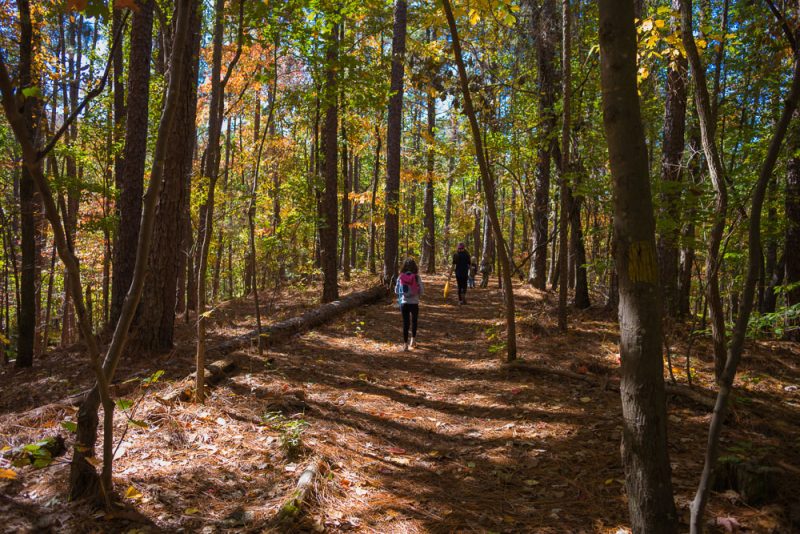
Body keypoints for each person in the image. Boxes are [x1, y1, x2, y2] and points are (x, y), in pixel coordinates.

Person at [395, 257, 424, 351]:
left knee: (405, 323)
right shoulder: (416, 277)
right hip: (414, 303)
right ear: (414, 267)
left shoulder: (400, 276)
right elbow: (421, 291)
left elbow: (396, 290)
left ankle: (405, 345)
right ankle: (413, 340)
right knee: (414, 321)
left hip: (404, 302)